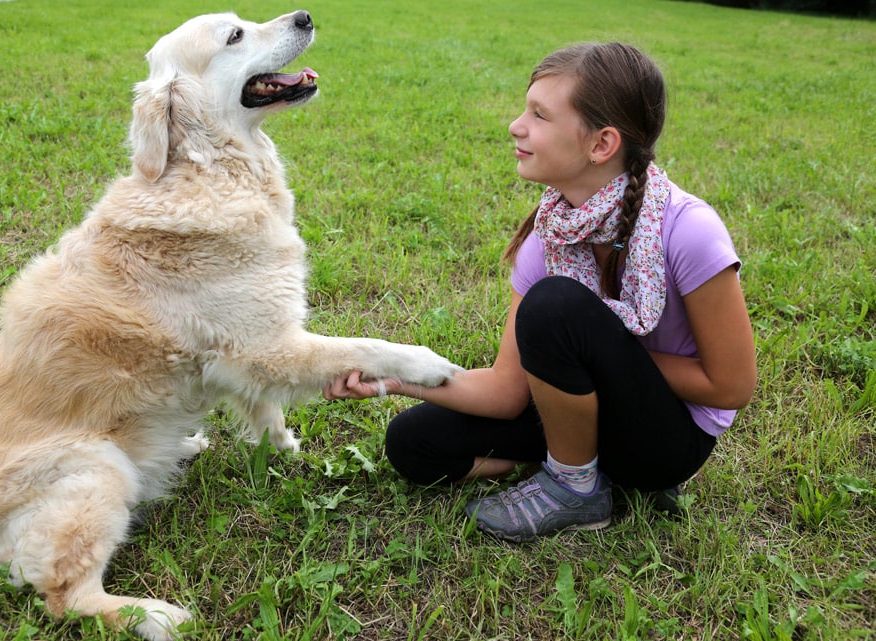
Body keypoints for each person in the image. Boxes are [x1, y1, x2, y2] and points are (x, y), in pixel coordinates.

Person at [323, 42, 756, 543]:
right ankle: (586, 468)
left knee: (557, 307)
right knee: (414, 444)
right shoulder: (549, 238)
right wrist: (392, 378)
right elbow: (508, 393)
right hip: (588, 413)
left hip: (663, 441)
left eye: (540, 115)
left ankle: (575, 489)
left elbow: (731, 387)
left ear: (601, 144)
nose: (516, 125)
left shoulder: (689, 230)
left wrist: (595, 354)